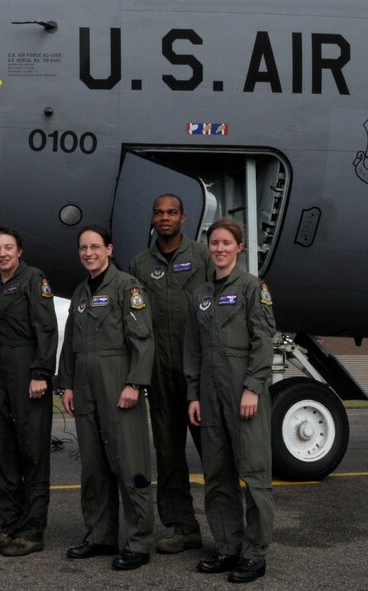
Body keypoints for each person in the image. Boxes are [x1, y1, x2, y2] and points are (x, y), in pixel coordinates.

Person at [58, 224, 156, 570]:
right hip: (84, 387)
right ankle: (100, 536)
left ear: (109, 250)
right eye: (83, 248)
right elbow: (70, 344)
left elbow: (143, 340)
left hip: (118, 384)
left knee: (129, 464)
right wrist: (67, 384)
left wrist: (135, 383)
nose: (88, 253)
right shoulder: (80, 292)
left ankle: (139, 541)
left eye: (95, 247)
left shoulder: (126, 287)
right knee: (94, 467)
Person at [185, 218, 276, 583]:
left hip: (244, 393)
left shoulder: (253, 288)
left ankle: (255, 554)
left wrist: (254, 386)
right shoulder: (201, 296)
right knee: (217, 476)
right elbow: (192, 350)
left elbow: (263, 339)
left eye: (226, 243)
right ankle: (227, 547)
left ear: (239, 247)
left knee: (253, 475)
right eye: (214, 243)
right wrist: (193, 394)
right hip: (209, 394)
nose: (219, 249)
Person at [128, 193, 208, 554]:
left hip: (199, 371)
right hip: (159, 372)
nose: (165, 218)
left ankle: (229, 528)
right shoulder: (139, 265)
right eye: (159, 213)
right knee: (169, 453)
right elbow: (132, 320)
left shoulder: (201, 257)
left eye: (171, 212)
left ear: (183, 218)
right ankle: (183, 526)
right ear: (153, 218)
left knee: (215, 452)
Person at [0, 226, 58, 557]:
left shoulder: (34, 279)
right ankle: (9, 526)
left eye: (8, 247)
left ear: (19, 250)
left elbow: (47, 328)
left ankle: (33, 530)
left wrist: (40, 372)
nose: (2, 253)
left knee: (33, 454)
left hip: (27, 373)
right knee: (4, 455)